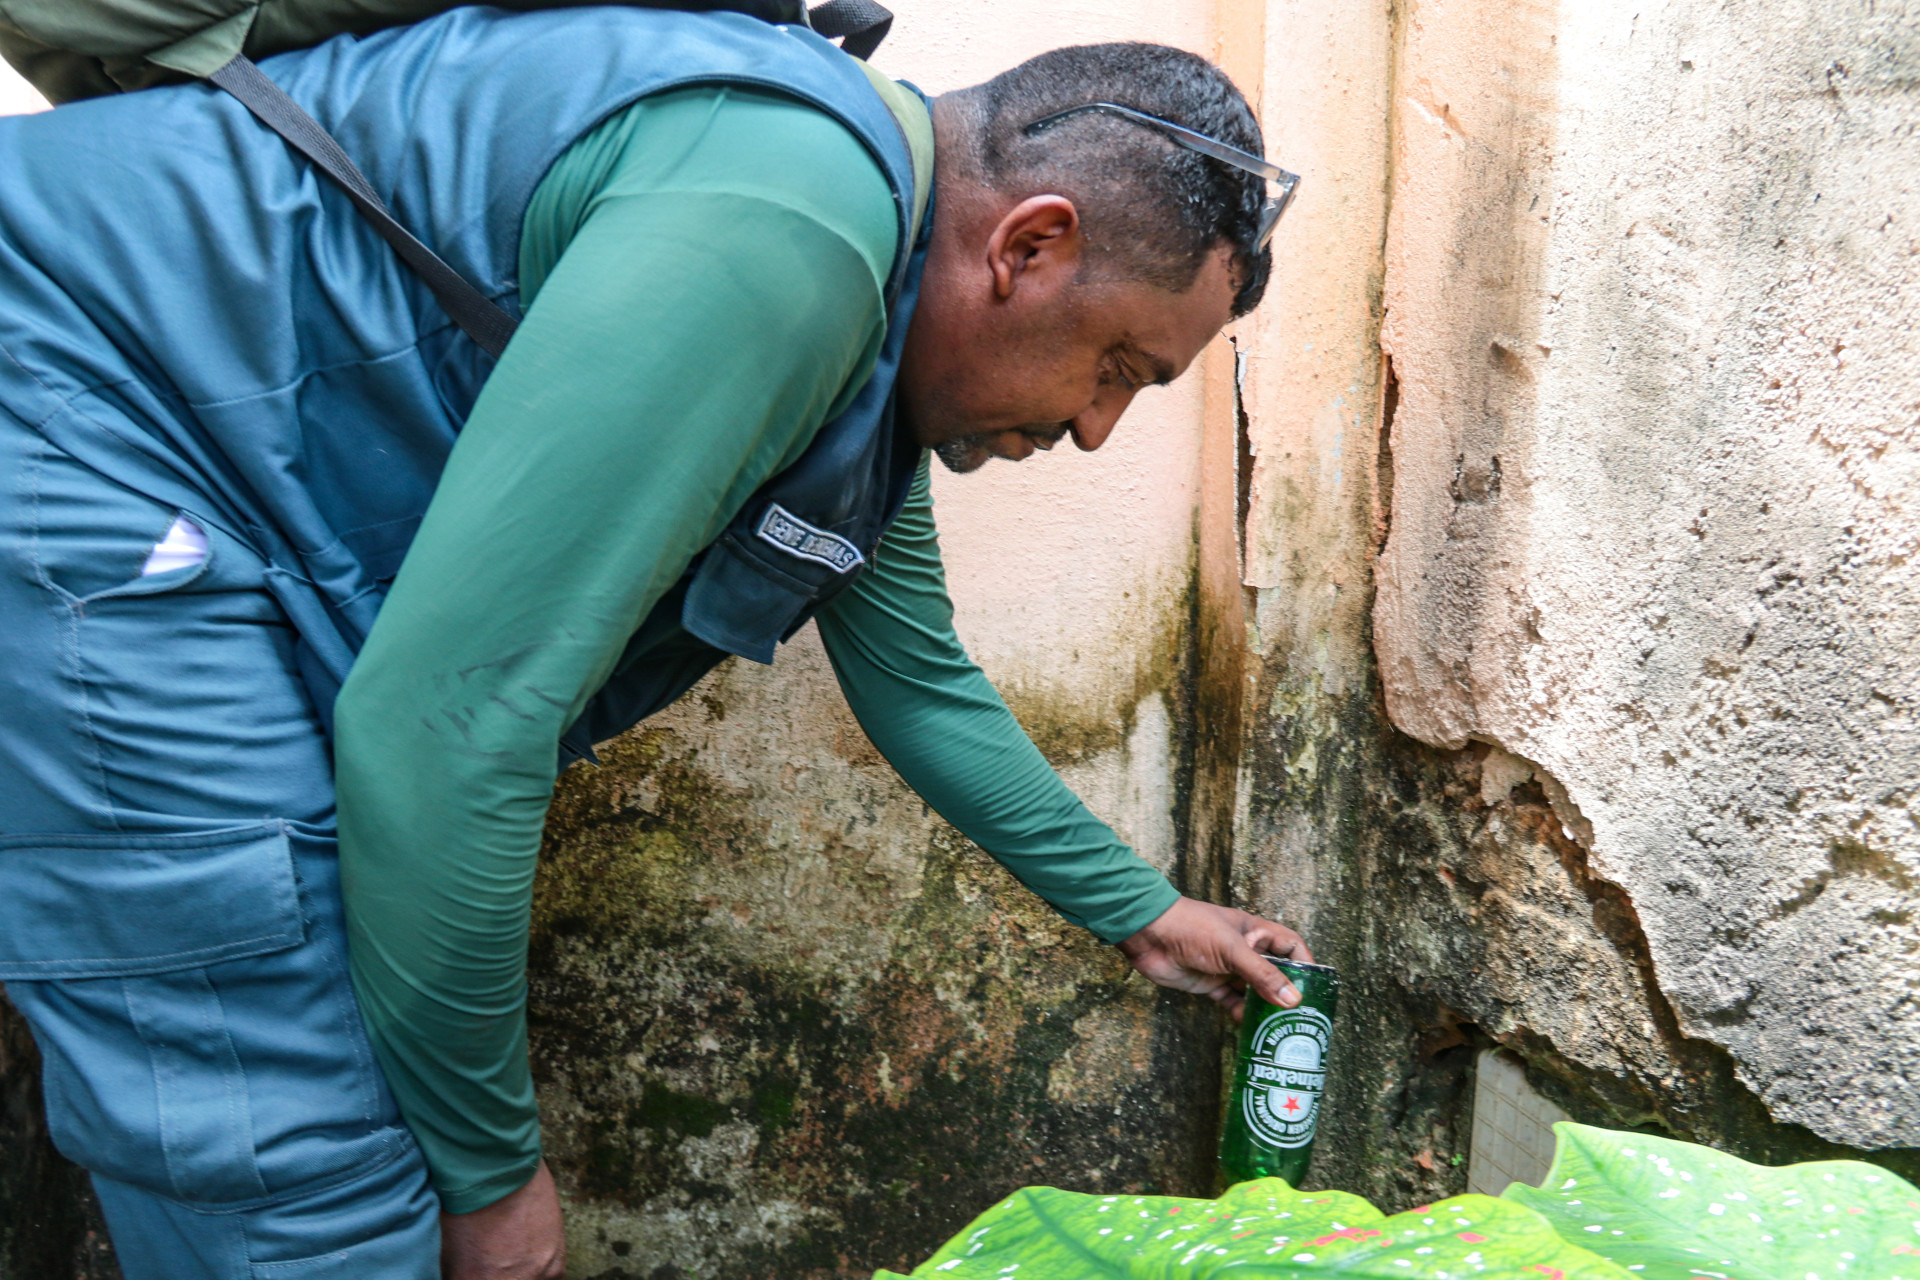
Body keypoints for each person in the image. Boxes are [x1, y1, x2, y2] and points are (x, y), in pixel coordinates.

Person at [0, 7, 1311, 1277]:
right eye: (1121, 367)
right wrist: (495, 1180)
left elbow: (919, 687)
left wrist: (1146, 911)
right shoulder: (794, 226)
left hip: (135, 462)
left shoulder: (859, 319)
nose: (1095, 428)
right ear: (1027, 246)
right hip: (65, 425)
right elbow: (449, 731)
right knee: (312, 1200)